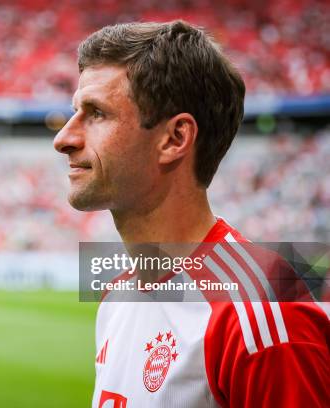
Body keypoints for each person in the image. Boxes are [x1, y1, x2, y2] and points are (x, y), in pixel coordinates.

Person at [53, 21, 329, 407]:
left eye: (96, 113)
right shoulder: (117, 297)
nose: (63, 138)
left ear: (175, 139)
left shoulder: (260, 311)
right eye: (75, 112)